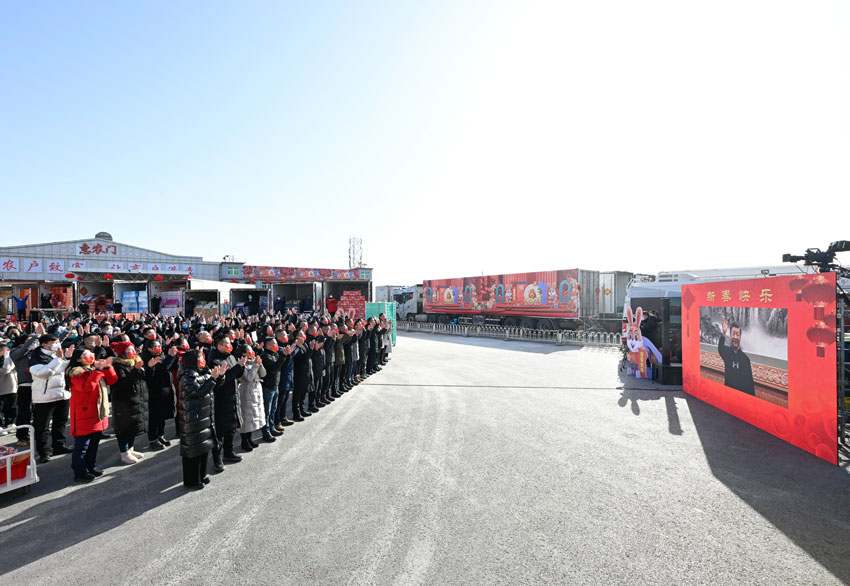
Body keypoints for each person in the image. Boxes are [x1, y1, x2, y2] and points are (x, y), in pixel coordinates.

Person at [178, 349, 226, 489]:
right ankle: (192, 481)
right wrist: (212, 379)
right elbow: (198, 393)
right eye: (199, 357)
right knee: (193, 451)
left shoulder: (203, 372)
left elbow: (213, 386)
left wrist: (219, 377)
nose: (202, 360)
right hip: (192, 418)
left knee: (203, 447)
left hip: (203, 416)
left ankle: (202, 475)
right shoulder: (187, 377)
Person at [67, 350, 117, 482]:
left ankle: (90, 467)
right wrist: (97, 371)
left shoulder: (94, 369)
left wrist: (106, 367)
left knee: (94, 443)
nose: (90, 357)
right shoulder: (76, 373)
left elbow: (112, 380)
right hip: (84, 413)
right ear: (78, 359)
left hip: (97, 411)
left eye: (91, 354)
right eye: (85, 355)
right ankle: (80, 472)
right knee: (82, 445)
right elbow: (86, 388)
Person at [29, 334, 75, 463]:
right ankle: (44, 452)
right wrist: (60, 359)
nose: (57, 344)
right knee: (42, 426)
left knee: (60, 422)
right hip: (44, 397)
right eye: (53, 342)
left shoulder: (58, 354)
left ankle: (59, 446)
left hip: (62, 394)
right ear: (44, 345)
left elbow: (64, 371)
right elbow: (43, 373)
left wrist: (68, 358)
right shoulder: (36, 356)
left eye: (58, 341)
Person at [208, 334, 247, 465]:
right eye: (226, 343)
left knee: (231, 427)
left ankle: (229, 452)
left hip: (233, 395)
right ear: (219, 345)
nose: (229, 345)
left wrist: (241, 366)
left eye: (229, 343)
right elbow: (225, 377)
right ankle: (217, 459)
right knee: (220, 431)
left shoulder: (230, 356)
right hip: (221, 398)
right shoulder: (214, 360)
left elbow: (237, 375)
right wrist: (237, 367)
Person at [110, 341, 149, 464]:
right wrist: (135, 370)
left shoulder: (136, 362)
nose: (133, 352)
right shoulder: (117, 365)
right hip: (123, 401)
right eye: (129, 350)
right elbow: (122, 383)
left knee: (133, 426)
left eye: (133, 349)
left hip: (136, 399)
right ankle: (124, 453)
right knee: (124, 428)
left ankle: (131, 449)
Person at [142, 339, 178, 451]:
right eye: (155, 346)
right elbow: (162, 369)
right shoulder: (146, 358)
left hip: (165, 390)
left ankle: (160, 435)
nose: (159, 348)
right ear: (149, 348)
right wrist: (170, 357)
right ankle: (153, 439)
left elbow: (170, 367)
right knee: (154, 417)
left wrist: (173, 357)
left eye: (159, 345)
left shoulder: (161, 355)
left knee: (161, 416)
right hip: (154, 391)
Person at [12, 329, 41, 446]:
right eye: (30, 341)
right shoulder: (16, 353)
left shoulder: (35, 353)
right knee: (24, 413)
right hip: (25, 386)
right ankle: (22, 437)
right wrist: (36, 336)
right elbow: (25, 349)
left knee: (38, 412)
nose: (34, 343)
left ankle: (37, 433)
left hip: (37, 385)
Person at [235, 344, 266, 451]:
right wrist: (256, 366)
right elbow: (248, 377)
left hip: (256, 391)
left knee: (253, 417)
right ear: (243, 353)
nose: (251, 352)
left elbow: (263, 374)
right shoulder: (241, 363)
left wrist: (260, 365)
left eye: (251, 350)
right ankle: (244, 441)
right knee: (246, 418)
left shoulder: (253, 361)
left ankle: (250, 439)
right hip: (246, 392)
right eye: (249, 350)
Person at [718, 318, 755, 395]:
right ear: (730, 335)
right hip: (728, 395)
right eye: (733, 334)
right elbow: (720, 347)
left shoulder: (745, 359)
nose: (735, 337)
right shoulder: (727, 353)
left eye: (737, 334)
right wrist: (724, 333)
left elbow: (750, 385)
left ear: (740, 337)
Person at [0, 338, 18, 432]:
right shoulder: (8, 359)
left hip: (11, 387)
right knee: (1, 407)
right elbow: (5, 369)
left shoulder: (11, 358)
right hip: (2, 387)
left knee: (12, 406)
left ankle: (10, 424)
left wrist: (8, 357)